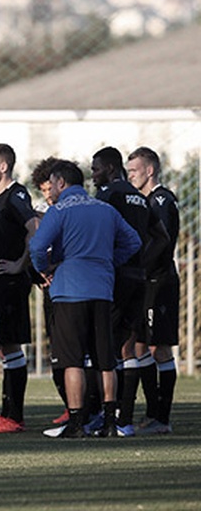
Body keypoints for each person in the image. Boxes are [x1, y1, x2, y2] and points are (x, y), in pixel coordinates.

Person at [30, 159, 140, 439]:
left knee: (72, 360)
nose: (50, 190)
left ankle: (77, 422)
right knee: (105, 359)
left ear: (61, 183)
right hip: (102, 289)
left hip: (69, 290)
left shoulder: (59, 211)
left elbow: (38, 246)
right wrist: (109, 261)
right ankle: (110, 422)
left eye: (52, 184)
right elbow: (133, 241)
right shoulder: (105, 209)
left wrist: (46, 269)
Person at [91, 146, 168, 436]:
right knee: (128, 346)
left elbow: (98, 230)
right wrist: (141, 262)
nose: (93, 174)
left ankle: (109, 416)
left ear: (110, 168)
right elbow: (161, 237)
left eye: (96, 168)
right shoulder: (140, 198)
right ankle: (124, 421)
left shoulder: (109, 194)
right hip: (137, 278)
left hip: (115, 277)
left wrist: (114, 260)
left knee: (106, 346)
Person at [0, 144, 38, 434]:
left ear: (3, 167)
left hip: (10, 284)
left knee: (10, 346)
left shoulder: (16, 195)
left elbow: (34, 229)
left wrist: (19, 264)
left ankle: (13, 416)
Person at [126, 146, 180, 435]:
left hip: (159, 282)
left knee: (159, 347)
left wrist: (142, 266)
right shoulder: (142, 201)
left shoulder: (161, 200)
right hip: (144, 282)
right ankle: (152, 413)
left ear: (149, 170)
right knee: (140, 345)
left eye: (134, 170)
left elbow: (162, 241)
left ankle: (162, 417)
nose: (130, 175)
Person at [29, 156, 69, 424]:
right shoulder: (40, 212)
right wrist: (40, 275)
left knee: (75, 348)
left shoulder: (71, 209)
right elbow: (34, 247)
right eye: (42, 190)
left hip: (72, 283)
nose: (47, 194)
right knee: (56, 346)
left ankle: (88, 406)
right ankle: (70, 403)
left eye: (49, 188)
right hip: (51, 288)